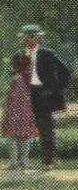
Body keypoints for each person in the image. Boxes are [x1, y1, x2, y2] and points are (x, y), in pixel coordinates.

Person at [19, 25, 69, 170]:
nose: (24, 40)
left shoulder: (47, 54)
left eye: (26, 37)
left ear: (35, 38)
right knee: (23, 129)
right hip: (27, 96)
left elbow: (65, 73)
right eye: (24, 38)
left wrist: (53, 90)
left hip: (43, 96)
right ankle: (23, 161)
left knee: (45, 128)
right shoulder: (22, 55)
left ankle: (49, 161)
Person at [2, 52, 39, 172]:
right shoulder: (29, 79)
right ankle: (23, 162)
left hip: (16, 112)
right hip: (26, 112)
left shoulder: (17, 79)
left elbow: (11, 98)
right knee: (24, 137)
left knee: (13, 137)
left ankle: (15, 163)